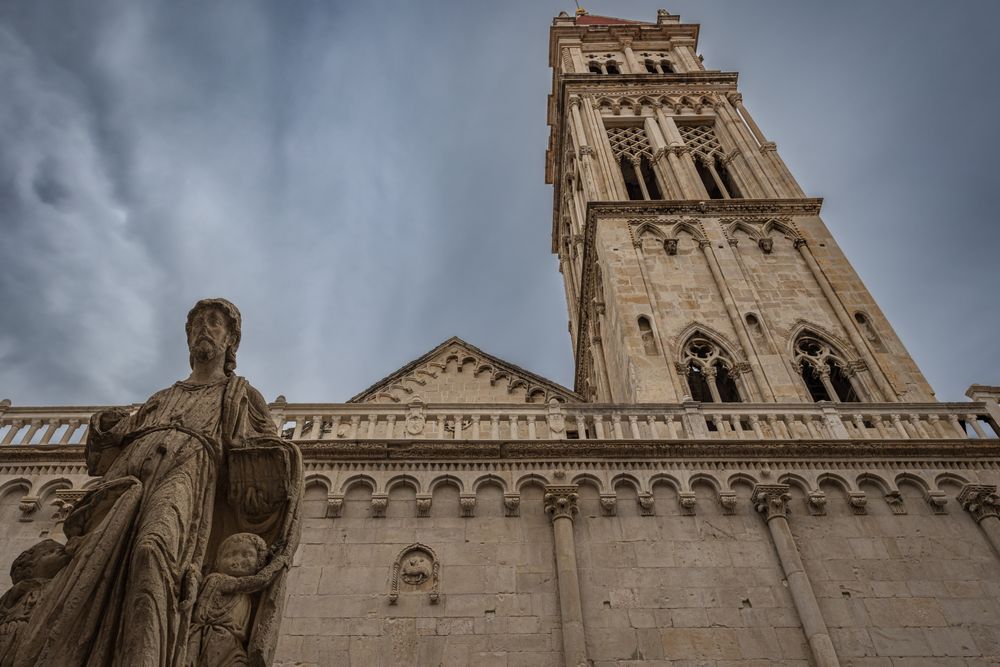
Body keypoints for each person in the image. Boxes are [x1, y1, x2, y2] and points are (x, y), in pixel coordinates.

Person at [9, 299, 302, 667]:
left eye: (214, 323)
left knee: (154, 549)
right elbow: (105, 453)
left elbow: (273, 456)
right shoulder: (162, 397)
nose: (203, 329)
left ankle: (147, 656)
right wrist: (106, 426)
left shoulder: (241, 395)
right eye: (196, 323)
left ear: (231, 342)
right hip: (129, 476)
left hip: (188, 470)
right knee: (89, 559)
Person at [185, 533, 285, 666]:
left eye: (246, 555)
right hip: (213, 638)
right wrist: (279, 562)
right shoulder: (218, 579)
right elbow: (257, 581)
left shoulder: (246, 595)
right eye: (229, 555)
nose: (236, 560)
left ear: (259, 562)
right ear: (218, 561)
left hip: (231, 643)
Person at [0, 540, 70, 666]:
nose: (60, 551)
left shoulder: (61, 583)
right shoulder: (25, 587)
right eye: (50, 552)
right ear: (29, 570)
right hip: (17, 633)